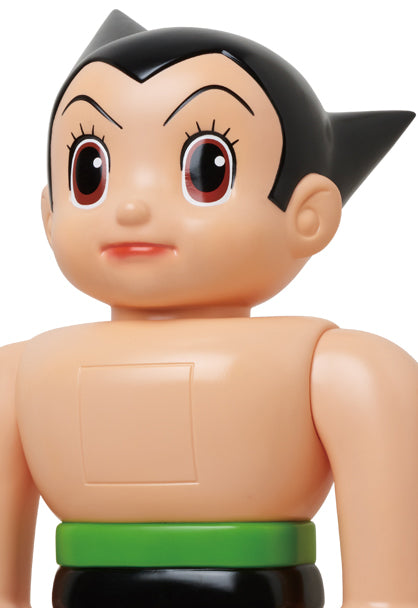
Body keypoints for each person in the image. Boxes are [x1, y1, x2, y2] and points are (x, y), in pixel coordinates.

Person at [0, 10, 416, 608]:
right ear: (49, 212)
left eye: (206, 169)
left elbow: (389, 587)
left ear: (308, 215)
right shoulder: (19, 378)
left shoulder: (340, 371)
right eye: (91, 171)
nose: (132, 207)